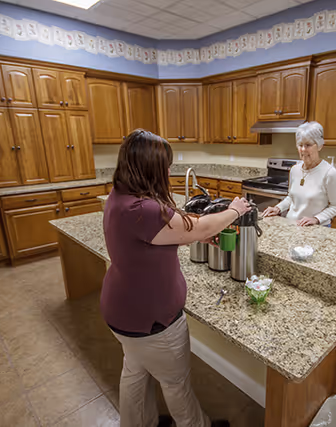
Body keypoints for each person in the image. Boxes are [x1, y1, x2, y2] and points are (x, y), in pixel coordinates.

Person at [101, 130, 252, 427]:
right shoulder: (142, 209)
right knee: (176, 384)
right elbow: (189, 227)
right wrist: (233, 211)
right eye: (165, 166)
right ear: (149, 169)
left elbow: (164, 232)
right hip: (154, 323)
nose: (169, 171)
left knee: (135, 372)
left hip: (122, 313)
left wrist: (191, 234)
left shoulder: (122, 197)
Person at [262, 121, 336, 226]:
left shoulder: (329, 173)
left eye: (308, 145)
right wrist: (278, 208)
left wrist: (316, 219)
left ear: (319, 146)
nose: (303, 149)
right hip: (292, 225)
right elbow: (291, 197)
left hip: (316, 228)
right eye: (300, 145)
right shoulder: (294, 170)